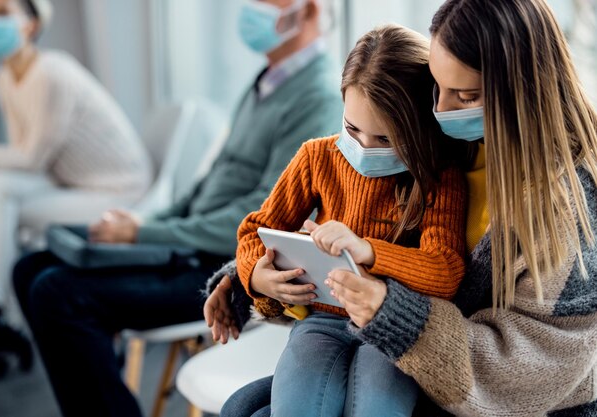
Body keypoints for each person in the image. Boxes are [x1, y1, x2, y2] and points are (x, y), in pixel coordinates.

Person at [206, 0, 597, 415]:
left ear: (522, 90)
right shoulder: (455, 145)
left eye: (465, 95)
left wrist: (395, 315)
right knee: (243, 406)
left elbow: (535, 369)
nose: (440, 112)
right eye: (436, 89)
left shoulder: (567, 203)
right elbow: (364, 230)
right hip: (406, 349)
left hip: (495, 394)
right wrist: (251, 274)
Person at [13, 0, 343, 416]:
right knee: (29, 268)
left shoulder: (317, 94)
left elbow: (263, 216)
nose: (249, 8)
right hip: (186, 246)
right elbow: (210, 184)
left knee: (57, 293)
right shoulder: (269, 80)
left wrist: (144, 235)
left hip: (219, 265)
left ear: (309, 10)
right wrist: (145, 222)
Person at [233, 23, 472, 417]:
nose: (362, 148)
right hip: (321, 322)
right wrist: (257, 279)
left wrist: (367, 251)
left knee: (378, 408)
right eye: (352, 128)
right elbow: (252, 233)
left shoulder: (437, 175)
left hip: (392, 328)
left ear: (420, 130)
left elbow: (445, 271)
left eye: (384, 140)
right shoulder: (317, 157)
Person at [0, 0, 152, 380]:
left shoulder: (52, 73)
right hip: (71, 182)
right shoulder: (4, 78)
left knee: (1, 199)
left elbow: (31, 157)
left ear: (32, 24)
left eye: (2, 12)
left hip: (118, 191)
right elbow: (20, 158)